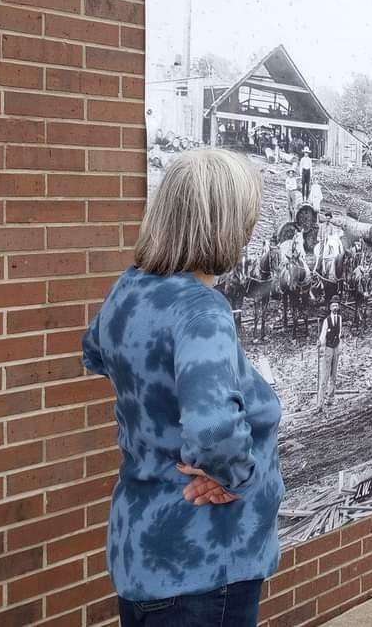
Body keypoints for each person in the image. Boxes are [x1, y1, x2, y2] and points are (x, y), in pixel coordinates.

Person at [82, 149, 283, 626]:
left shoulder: (130, 288)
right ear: (224, 224)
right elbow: (213, 430)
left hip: (142, 549)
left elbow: (94, 351)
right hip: (203, 563)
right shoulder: (200, 310)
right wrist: (237, 478)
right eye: (247, 217)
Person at [317, 297, 344, 412]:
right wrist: (320, 343)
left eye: (336, 305)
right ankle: (320, 403)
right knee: (325, 375)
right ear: (330, 308)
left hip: (336, 347)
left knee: (334, 374)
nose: (335, 307)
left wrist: (340, 346)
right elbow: (323, 335)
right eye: (333, 306)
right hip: (328, 348)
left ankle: (330, 398)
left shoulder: (340, 318)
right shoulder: (326, 320)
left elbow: (340, 333)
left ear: (338, 307)